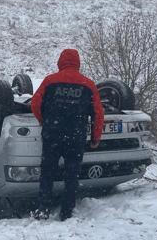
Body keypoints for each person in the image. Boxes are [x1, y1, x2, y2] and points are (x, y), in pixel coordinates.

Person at [31, 49, 104, 221]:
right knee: (72, 175)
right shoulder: (88, 84)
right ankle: (67, 212)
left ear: (60, 62)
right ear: (78, 63)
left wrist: (43, 120)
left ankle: (43, 209)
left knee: (47, 172)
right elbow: (98, 113)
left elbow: (35, 103)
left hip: (52, 134)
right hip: (76, 136)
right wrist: (95, 138)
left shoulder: (50, 81)